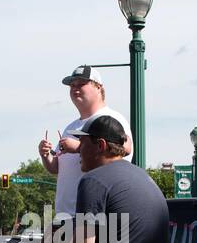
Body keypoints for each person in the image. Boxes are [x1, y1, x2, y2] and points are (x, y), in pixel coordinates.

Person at [0, 112, 167, 243]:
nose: (79, 151)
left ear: (101, 146)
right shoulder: (142, 175)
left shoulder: (94, 180)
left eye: (84, 143)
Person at [38, 65, 133, 221]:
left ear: (98, 87)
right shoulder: (71, 127)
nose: (75, 88)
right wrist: (45, 155)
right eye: (72, 85)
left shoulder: (111, 118)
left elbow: (126, 149)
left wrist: (78, 147)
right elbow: (55, 168)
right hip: (66, 217)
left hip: (95, 217)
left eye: (81, 83)